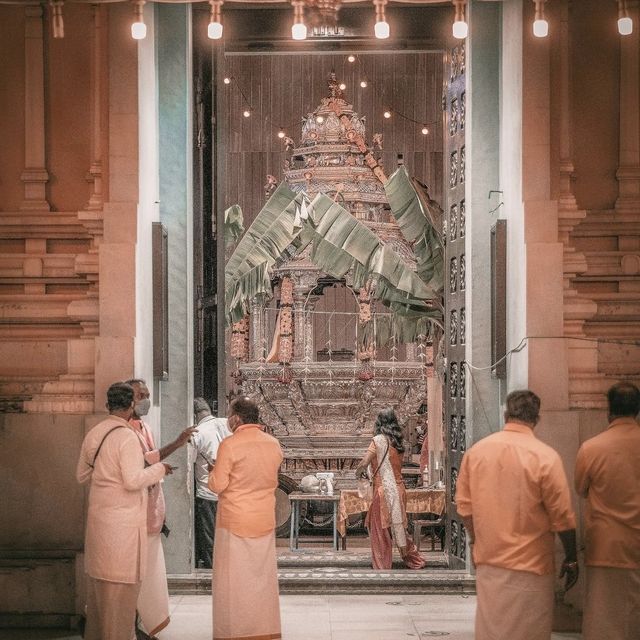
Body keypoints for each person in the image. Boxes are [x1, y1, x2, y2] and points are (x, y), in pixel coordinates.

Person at [455, 389, 579, 640]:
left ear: (505, 414)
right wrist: (571, 557)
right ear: (537, 418)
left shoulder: (476, 453)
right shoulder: (545, 457)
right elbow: (563, 517)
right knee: (529, 632)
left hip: (491, 562)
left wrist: (476, 540)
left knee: (493, 631)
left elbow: (465, 508)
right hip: (532, 566)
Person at [76, 382, 172, 640]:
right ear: (131, 405)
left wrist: (106, 478)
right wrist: (161, 470)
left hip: (99, 528)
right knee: (120, 608)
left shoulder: (95, 433)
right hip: (122, 534)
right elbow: (132, 481)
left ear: (108, 405)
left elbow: (81, 475)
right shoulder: (126, 436)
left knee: (98, 608)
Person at [125, 378, 197, 638]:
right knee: (135, 575)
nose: (145, 399)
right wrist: (175, 446)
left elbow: (151, 457)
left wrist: (176, 445)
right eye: (140, 395)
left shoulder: (143, 427)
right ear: (127, 399)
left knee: (149, 575)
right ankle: (132, 625)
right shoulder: (122, 432)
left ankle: (143, 625)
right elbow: (142, 465)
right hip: (134, 514)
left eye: (146, 394)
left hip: (151, 510)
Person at [208, 397, 283, 640]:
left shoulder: (230, 445)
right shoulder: (273, 444)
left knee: (233, 581)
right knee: (262, 579)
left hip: (235, 520)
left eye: (230, 414)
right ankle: (264, 630)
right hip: (263, 518)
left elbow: (218, 485)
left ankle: (235, 631)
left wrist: (212, 473)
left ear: (237, 418)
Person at [575, 381, 640, 640]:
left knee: (603, 620)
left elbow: (581, 488)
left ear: (609, 410)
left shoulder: (592, 448)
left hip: (606, 545)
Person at [355, 408, 427, 570]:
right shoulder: (398, 442)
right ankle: (414, 559)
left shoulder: (378, 441)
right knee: (398, 527)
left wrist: (359, 473)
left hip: (383, 492)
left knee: (380, 530)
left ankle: (382, 565)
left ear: (379, 423)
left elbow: (363, 463)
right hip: (399, 489)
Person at [191, 397, 232, 569]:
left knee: (210, 537)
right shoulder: (227, 424)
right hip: (231, 491)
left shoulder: (197, 432)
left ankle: (212, 569)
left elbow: (189, 463)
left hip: (207, 493)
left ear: (194, 415)